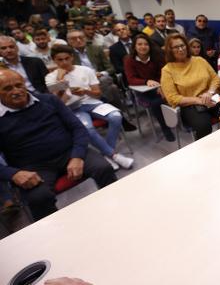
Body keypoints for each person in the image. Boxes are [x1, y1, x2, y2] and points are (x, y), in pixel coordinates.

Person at [0, 69, 117, 221]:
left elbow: (78, 128)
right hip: (33, 167)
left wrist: (77, 156)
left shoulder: (48, 100)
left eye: (19, 85)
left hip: (69, 152)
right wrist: (13, 174)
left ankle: (117, 210)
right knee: (39, 198)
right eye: (7, 89)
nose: (16, 91)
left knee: (103, 168)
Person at [46, 45, 134, 170]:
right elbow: (58, 102)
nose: (64, 62)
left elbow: (97, 93)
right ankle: (114, 155)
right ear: (54, 60)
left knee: (116, 116)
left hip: (91, 102)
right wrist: (60, 80)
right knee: (87, 128)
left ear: (72, 57)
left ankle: (107, 153)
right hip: (71, 108)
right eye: (60, 60)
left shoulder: (85, 70)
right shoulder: (50, 78)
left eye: (67, 58)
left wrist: (85, 92)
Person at [160, 34, 220, 139]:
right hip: (189, 105)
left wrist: (209, 92)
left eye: (182, 45)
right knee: (204, 126)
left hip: (210, 97)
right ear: (170, 50)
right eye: (176, 47)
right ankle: (204, 152)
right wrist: (198, 100)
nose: (180, 49)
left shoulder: (199, 60)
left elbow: (215, 78)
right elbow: (172, 98)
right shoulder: (167, 70)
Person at [124, 33, 175, 142]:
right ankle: (165, 128)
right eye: (139, 44)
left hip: (159, 86)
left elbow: (164, 73)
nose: (143, 47)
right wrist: (146, 81)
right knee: (156, 103)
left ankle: (180, 120)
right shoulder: (129, 60)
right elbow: (131, 79)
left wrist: (159, 84)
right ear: (134, 46)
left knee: (170, 96)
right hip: (142, 91)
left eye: (146, 44)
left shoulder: (156, 56)